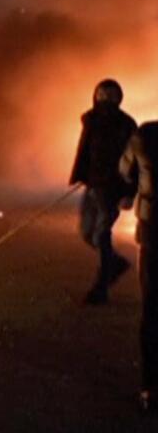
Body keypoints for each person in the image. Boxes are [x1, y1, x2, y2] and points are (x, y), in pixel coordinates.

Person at [70, 79, 137, 305]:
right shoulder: (90, 120)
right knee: (87, 233)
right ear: (95, 95)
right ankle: (116, 265)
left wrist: (129, 192)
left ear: (119, 98)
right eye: (102, 94)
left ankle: (100, 289)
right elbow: (85, 151)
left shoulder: (126, 125)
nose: (106, 99)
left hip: (112, 190)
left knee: (101, 234)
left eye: (111, 95)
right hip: (92, 186)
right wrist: (82, 175)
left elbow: (134, 162)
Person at [121, 122, 158, 411]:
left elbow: (125, 170)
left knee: (152, 308)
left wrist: (128, 192)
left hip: (153, 229)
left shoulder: (145, 135)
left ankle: (151, 386)